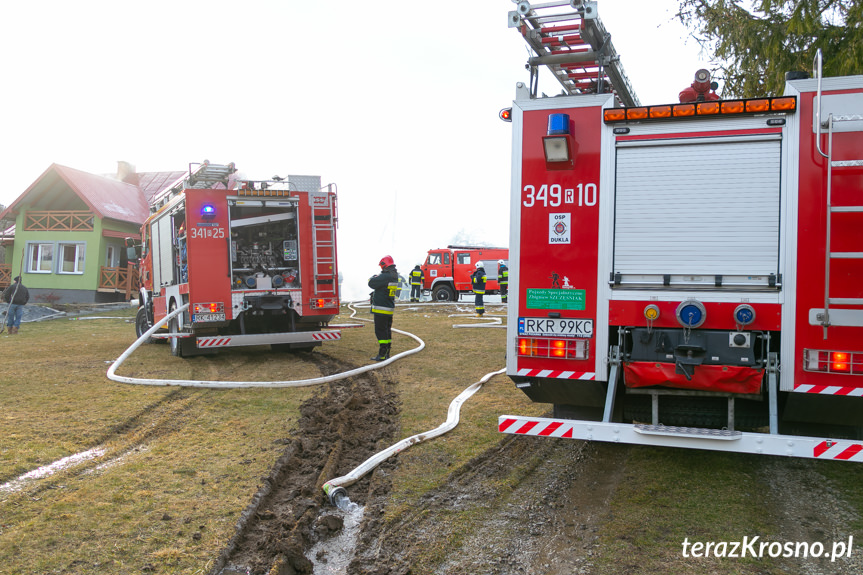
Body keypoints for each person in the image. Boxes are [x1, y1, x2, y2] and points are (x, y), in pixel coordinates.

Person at [368, 255, 399, 361]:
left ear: (384, 265)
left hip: (381, 309)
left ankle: (382, 354)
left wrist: (373, 277)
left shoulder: (386, 276)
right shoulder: (394, 275)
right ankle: (387, 353)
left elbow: (371, 283)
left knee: (380, 331)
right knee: (386, 331)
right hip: (388, 308)